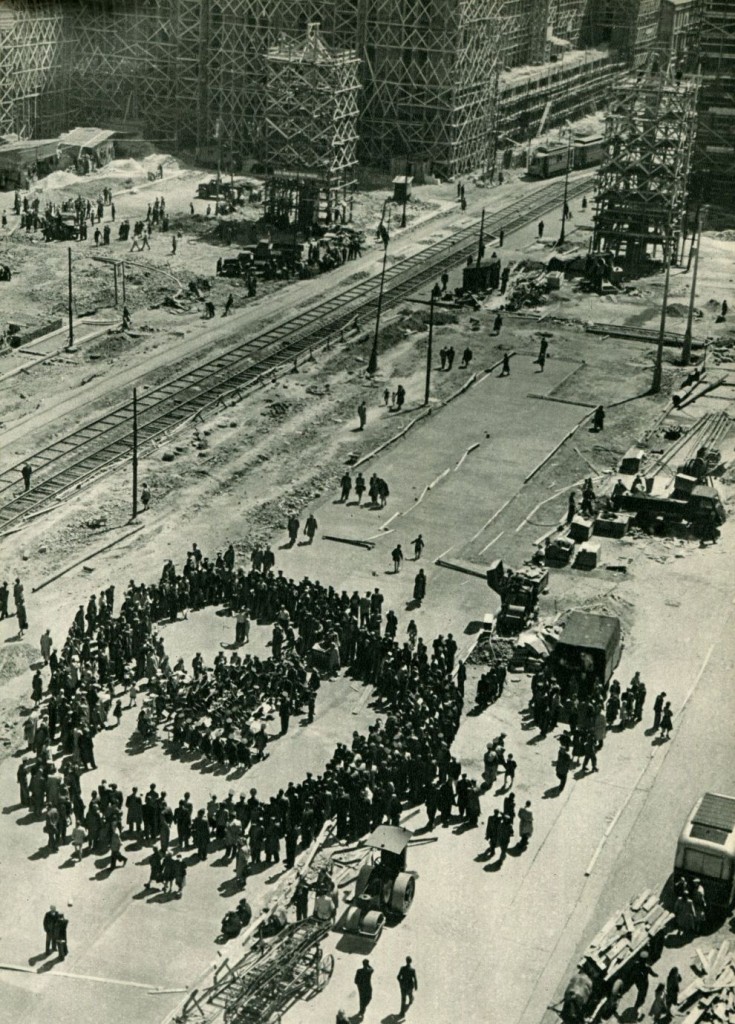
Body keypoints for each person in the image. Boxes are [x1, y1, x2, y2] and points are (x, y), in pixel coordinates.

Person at [631, 952, 657, 1020]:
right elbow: (652, 973)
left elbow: (632, 972)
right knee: (642, 996)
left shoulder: (636, 964)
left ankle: (637, 1005)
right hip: (644, 983)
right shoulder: (646, 967)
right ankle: (638, 1010)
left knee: (640, 993)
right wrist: (656, 975)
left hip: (638, 982)